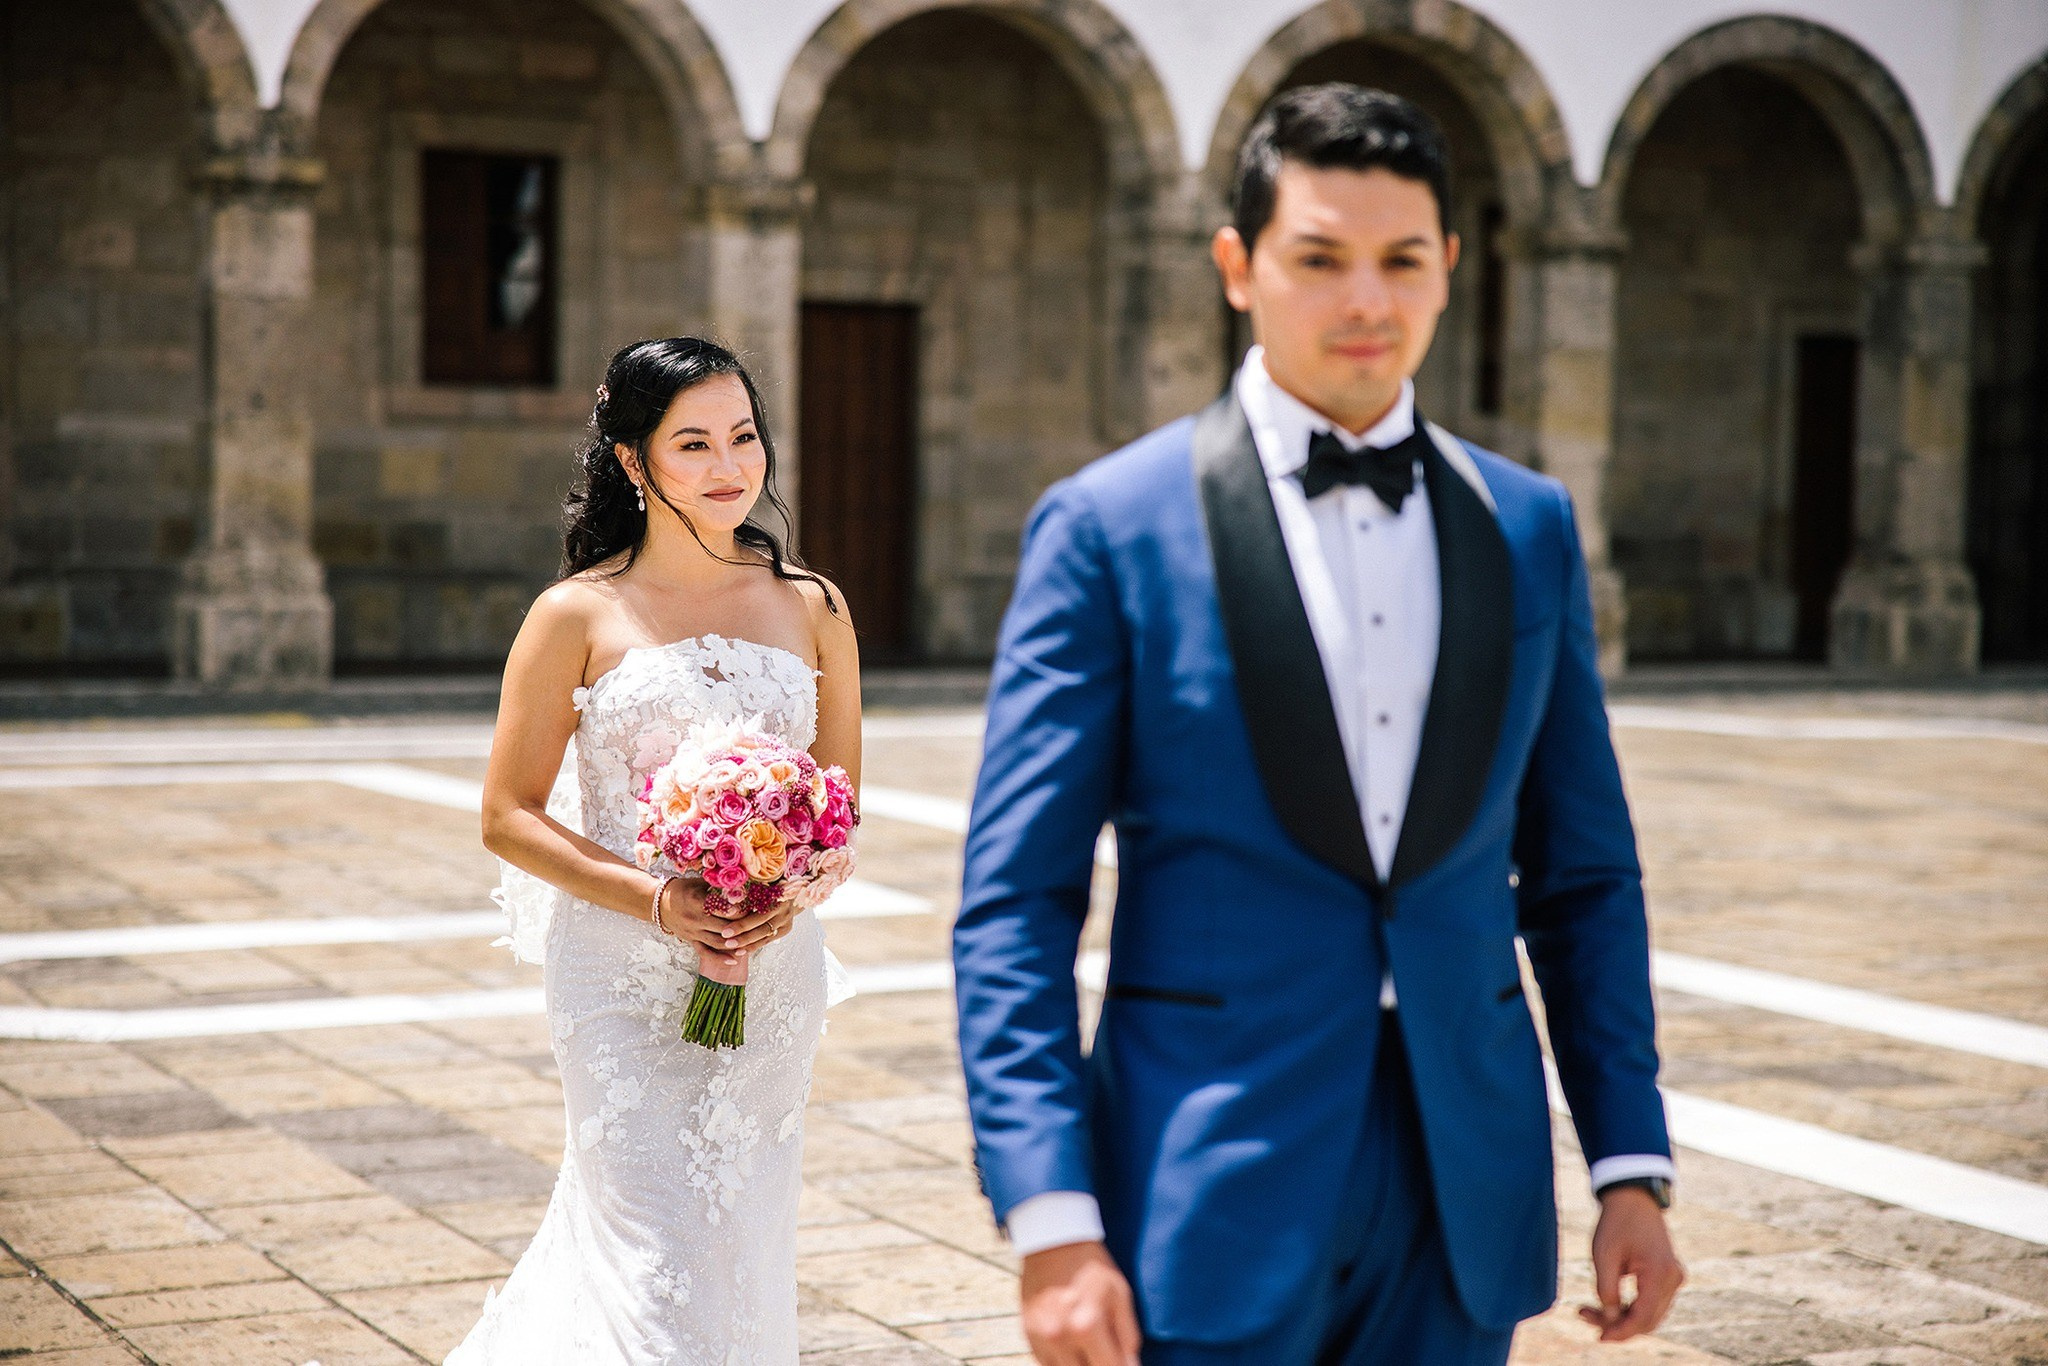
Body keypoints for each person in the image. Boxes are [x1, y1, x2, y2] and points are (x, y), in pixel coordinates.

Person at [953, 85, 1684, 1365]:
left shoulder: (1528, 527)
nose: (1367, 302)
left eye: (1402, 260)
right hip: (1209, 1173)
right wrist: (1051, 1217)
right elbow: (1017, 901)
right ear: (1237, 267)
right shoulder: (1108, 527)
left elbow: (1581, 876)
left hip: (1464, 1179)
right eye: (1319, 259)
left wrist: (1629, 1163)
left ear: (1450, 268)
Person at [450, 337, 859, 1362]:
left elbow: (840, 805)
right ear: (634, 462)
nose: (730, 467)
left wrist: (790, 889)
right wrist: (658, 900)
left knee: (742, 1250)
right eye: (693, 444)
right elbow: (507, 813)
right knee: (654, 1259)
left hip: (769, 973)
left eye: (743, 436)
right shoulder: (573, 614)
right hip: (618, 978)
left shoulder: (813, 605)